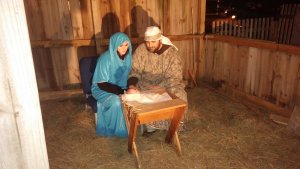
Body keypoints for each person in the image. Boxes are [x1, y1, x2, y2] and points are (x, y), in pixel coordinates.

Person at [128, 26, 188, 134]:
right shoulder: (141, 50)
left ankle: (176, 124)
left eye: (153, 42)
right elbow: (135, 70)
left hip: (168, 83)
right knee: (138, 95)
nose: (149, 45)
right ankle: (151, 124)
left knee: (179, 94)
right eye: (147, 42)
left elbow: (175, 76)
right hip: (146, 83)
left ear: (160, 40)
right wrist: (132, 85)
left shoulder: (172, 53)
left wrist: (162, 87)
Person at [91, 32, 132, 138]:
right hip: (101, 89)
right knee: (117, 101)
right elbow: (101, 83)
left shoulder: (128, 57)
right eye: (121, 45)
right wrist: (121, 92)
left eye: (126, 45)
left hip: (119, 88)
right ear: (114, 45)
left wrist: (129, 88)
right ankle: (116, 130)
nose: (124, 48)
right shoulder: (105, 58)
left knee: (133, 98)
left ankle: (131, 126)